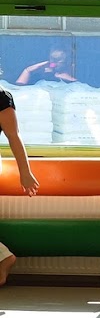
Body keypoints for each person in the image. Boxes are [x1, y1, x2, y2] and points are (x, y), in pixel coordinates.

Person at [0, 85, 42, 286]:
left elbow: (13, 135)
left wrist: (25, 172)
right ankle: (3, 256)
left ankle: (4, 257)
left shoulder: (2, 97)